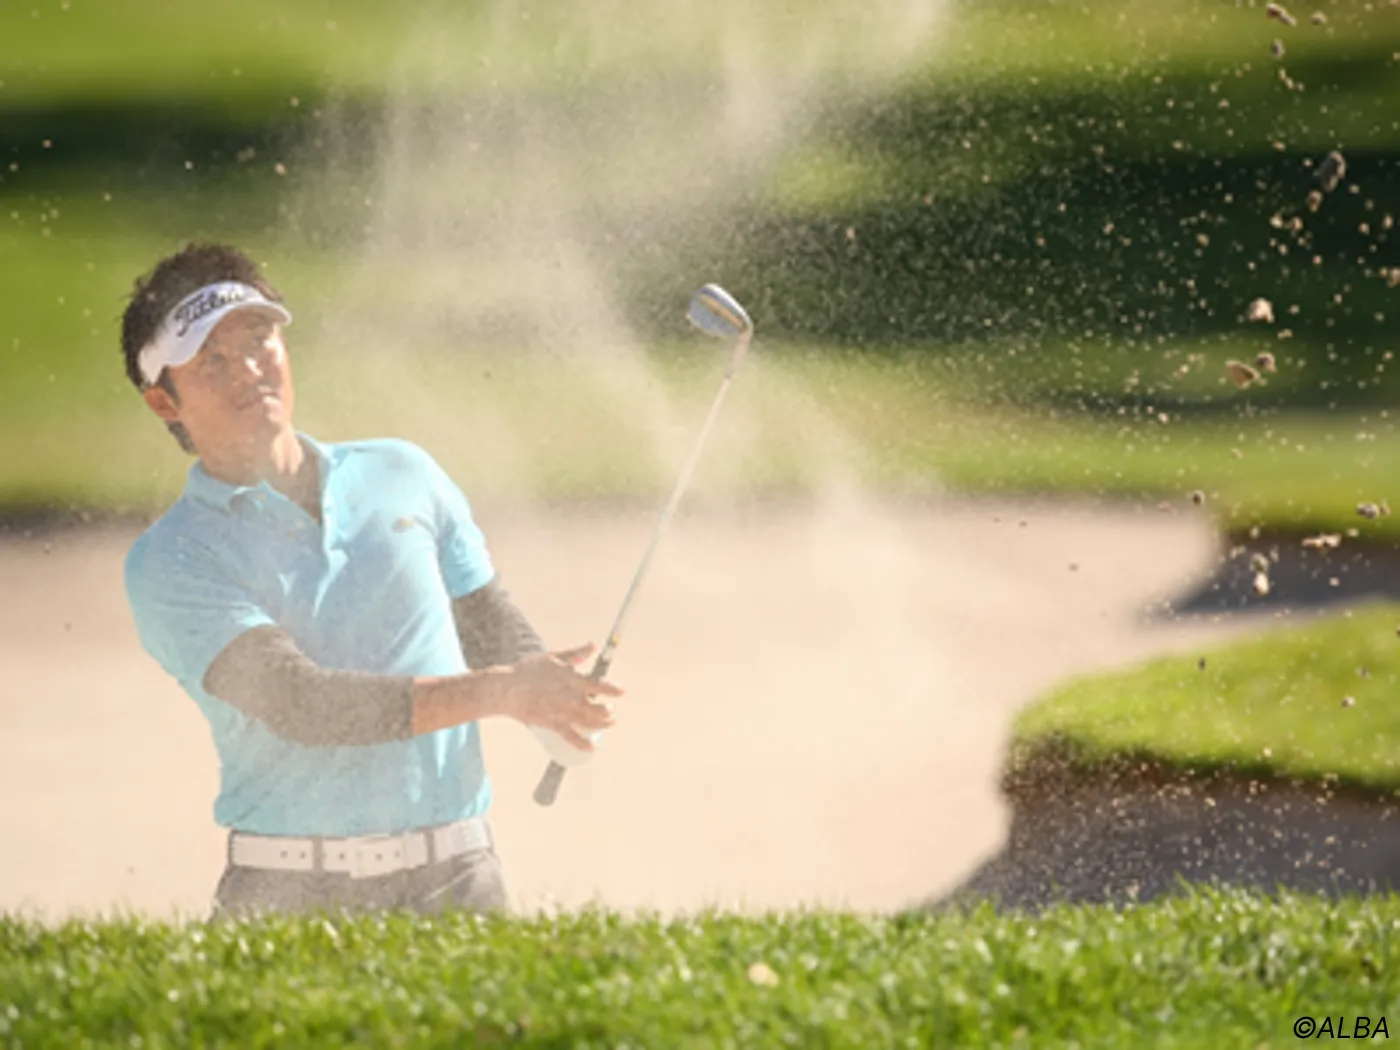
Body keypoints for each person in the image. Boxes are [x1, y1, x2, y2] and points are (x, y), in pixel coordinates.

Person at [119, 242, 621, 918]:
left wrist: (553, 701)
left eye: (260, 338)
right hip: (289, 893)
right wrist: (506, 692)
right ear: (163, 401)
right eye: (212, 360)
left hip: (462, 877)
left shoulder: (402, 472)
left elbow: (482, 618)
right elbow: (301, 704)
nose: (248, 369)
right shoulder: (173, 557)